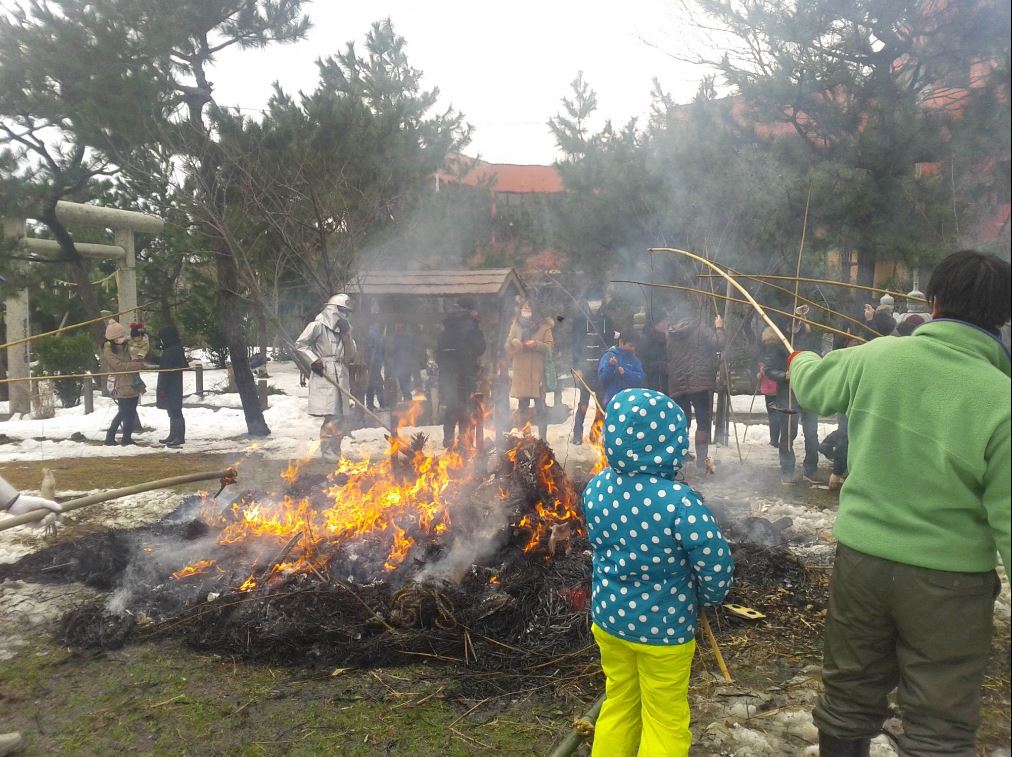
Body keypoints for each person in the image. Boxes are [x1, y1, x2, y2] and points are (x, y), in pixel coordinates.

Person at [788, 250, 1011, 757]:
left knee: (848, 694)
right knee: (940, 719)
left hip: (861, 566)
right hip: (949, 584)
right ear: (1002, 316)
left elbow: (813, 387)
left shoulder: (878, 355)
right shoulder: (1003, 399)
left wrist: (799, 359)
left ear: (933, 303)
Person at [583, 388, 734, 756]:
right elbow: (715, 561)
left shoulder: (597, 487)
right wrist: (710, 596)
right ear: (670, 442)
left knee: (619, 702)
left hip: (610, 622)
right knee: (664, 717)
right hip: (664, 633)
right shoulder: (680, 502)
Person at [295, 293, 357, 461]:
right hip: (326, 372)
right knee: (332, 415)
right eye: (343, 311)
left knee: (342, 415)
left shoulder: (344, 331)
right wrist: (314, 360)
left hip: (340, 373)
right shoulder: (318, 325)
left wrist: (347, 336)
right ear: (334, 310)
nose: (346, 316)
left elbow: (350, 356)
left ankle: (336, 450)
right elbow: (300, 344)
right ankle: (328, 451)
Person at [666, 304, 726, 472]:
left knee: (681, 422)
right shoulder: (700, 328)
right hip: (700, 384)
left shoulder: (671, 334)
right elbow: (719, 344)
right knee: (703, 422)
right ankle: (701, 463)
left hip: (677, 384)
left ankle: (679, 458)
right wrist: (719, 328)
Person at [436, 296, 486, 448]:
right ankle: (464, 441)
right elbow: (480, 348)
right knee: (466, 406)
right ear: (471, 310)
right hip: (465, 372)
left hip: (447, 374)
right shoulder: (472, 326)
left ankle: (449, 438)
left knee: (452, 405)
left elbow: (438, 352)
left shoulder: (447, 325)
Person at [570, 290, 615, 444]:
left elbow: (610, 344)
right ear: (587, 301)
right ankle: (577, 434)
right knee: (583, 404)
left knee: (601, 404)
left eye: (598, 300)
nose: (595, 303)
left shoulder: (607, 320)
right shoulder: (579, 320)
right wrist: (577, 366)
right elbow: (574, 344)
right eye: (592, 300)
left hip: (602, 369)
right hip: (585, 367)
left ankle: (595, 432)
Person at [506, 299, 554, 439]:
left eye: (529, 308)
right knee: (522, 408)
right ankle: (525, 438)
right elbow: (507, 345)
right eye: (524, 308)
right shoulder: (516, 325)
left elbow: (549, 347)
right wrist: (514, 343)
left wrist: (536, 344)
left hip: (537, 373)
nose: (526, 311)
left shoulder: (544, 327)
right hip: (521, 373)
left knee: (540, 408)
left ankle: (543, 439)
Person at [102, 322, 146, 446]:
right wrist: (134, 365)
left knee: (131, 411)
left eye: (122, 336)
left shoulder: (127, 345)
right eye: (118, 337)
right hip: (120, 383)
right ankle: (110, 436)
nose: (121, 338)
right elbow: (118, 366)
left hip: (133, 382)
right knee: (123, 411)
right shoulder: (108, 349)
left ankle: (127, 437)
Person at [154, 325, 187, 447]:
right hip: (171, 384)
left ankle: (179, 436)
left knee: (175, 411)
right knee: (171, 410)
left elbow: (166, 369)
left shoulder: (173, 349)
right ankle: (173, 435)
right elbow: (163, 363)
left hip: (172, 385)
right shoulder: (172, 348)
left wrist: (162, 387)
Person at [597, 331, 645, 405]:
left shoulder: (635, 360)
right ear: (621, 342)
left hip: (630, 401)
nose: (633, 349)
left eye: (634, 346)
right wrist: (610, 366)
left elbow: (640, 379)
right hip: (612, 400)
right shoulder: (608, 356)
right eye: (631, 346)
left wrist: (625, 373)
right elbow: (602, 379)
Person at [757, 327, 783, 448]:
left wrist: (760, 373)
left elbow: (763, 369)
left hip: (770, 389)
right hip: (780, 386)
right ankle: (778, 439)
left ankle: (774, 440)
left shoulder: (765, 351)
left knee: (773, 415)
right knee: (780, 415)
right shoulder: (782, 349)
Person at [389, 321, 419, 403]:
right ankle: (406, 398)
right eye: (397, 328)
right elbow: (393, 351)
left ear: (403, 328)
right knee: (402, 383)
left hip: (406, 364)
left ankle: (408, 398)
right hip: (399, 364)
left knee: (406, 382)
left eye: (400, 328)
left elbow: (412, 350)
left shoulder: (408, 337)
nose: (398, 329)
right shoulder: (396, 337)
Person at [639, 312, 670, 394]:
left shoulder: (665, 337)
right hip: (652, 383)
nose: (666, 324)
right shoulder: (645, 340)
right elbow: (643, 363)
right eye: (664, 321)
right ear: (656, 324)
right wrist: (661, 365)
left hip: (664, 381)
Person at [364, 323, 386, 411]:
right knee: (377, 383)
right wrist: (371, 361)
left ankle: (370, 404)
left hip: (376, 362)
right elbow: (371, 349)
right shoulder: (373, 333)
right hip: (374, 363)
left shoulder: (376, 333)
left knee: (372, 383)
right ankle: (381, 403)